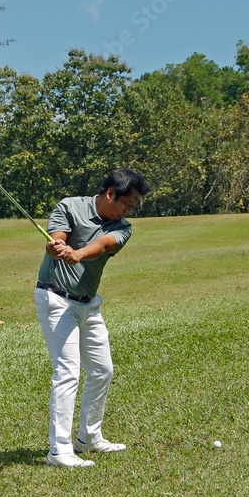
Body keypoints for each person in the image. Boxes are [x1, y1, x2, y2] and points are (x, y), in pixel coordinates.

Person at [35, 168, 151, 468]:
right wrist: (56, 246)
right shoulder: (70, 206)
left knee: (102, 369)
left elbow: (102, 246)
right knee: (68, 371)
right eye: (127, 203)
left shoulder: (123, 228)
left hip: (88, 304)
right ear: (110, 193)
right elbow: (56, 239)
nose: (129, 211)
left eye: (133, 206)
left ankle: (88, 437)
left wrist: (78, 253)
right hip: (56, 299)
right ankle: (58, 451)